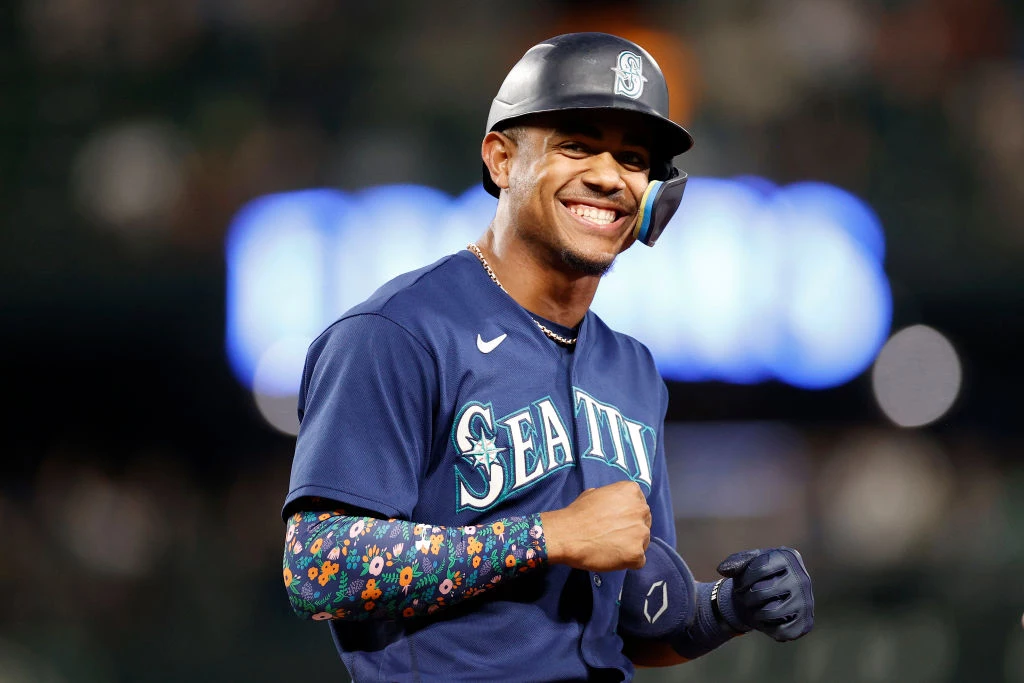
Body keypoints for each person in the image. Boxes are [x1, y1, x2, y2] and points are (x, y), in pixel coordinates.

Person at [281, 32, 814, 682]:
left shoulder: (632, 370)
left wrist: (726, 606)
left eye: (634, 157)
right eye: (577, 144)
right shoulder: (397, 331)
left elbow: (638, 620)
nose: (608, 175)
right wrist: (546, 536)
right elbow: (317, 564)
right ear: (502, 159)